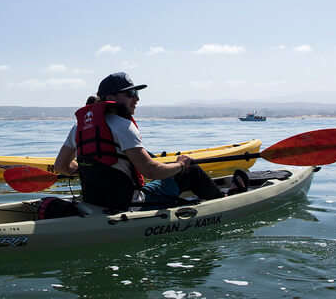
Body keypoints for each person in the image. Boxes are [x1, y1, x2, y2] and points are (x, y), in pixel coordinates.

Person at [54, 72, 246, 211]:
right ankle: (224, 204)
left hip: (93, 202)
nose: (136, 99)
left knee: (173, 174)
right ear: (110, 98)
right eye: (130, 94)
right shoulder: (123, 126)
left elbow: (60, 166)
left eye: (136, 94)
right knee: (191, 170)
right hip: (131, 205)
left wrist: (91, 168)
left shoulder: (78, 127)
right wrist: (180, 165)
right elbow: (151, 172)